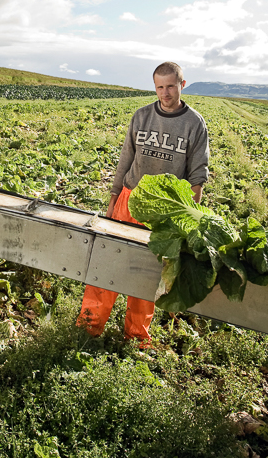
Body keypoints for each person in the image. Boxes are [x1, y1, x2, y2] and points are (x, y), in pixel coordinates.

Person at [76, 61, 210, 344]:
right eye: (159, 87)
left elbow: (197, 175)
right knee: (108, 263)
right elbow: (126, 159)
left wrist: (189, 220)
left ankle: (135, 338)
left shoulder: (194, 123)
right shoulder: (142, 116)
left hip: (164, 209)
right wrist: (113, 199)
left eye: (170, 86)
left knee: (146, 274)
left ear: (182, 85)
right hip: (129, 198)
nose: (165, 93)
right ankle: (88, 328)